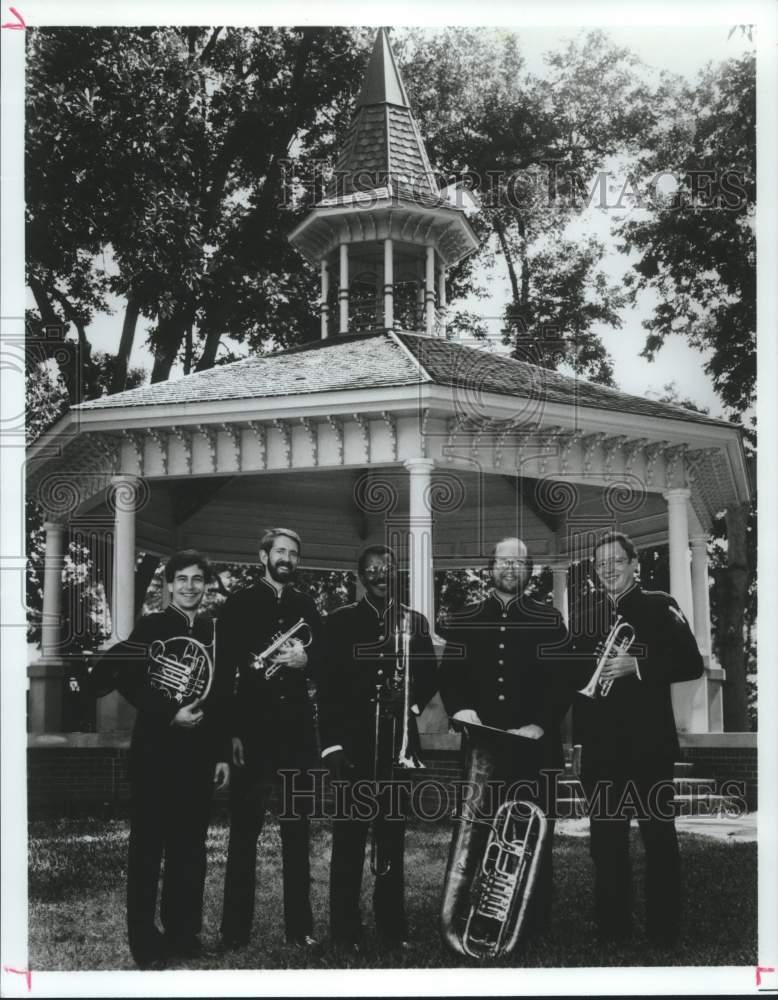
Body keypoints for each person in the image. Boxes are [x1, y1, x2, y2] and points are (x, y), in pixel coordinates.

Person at [91, 549, 230, 968]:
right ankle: (146, 945)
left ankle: (183, 935)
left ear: (206, 586)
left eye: (197, 579)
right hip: (156, 752)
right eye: (182, 579)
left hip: (199, 754)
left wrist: (222, 752)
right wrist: (170, 712)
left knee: (190, 851)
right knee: (148, 850)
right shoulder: (151, 625)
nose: (190, 586)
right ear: (168, 584)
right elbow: (127, 680)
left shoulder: (212, 631)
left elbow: (221, 696)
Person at [570, 530, 704, 948]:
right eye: (601, 562)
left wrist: (638, 663)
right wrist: (578, 744)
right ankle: (613, 928)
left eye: (616, 560)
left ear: (634, 565)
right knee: (606, 841)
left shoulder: (660, 605)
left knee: (658, 838)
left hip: (649, 746)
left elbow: (691, 663)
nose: (608, 568)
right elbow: (578, 684)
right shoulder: (587, 612)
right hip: (601, 748)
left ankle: (663, 931)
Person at [439, 536, 570, 940]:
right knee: (476, 836)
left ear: (529, 571)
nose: (510, 568)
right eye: (503, 561)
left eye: (519, 562)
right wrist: (460, 709)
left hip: (533, 746)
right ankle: (470, 917)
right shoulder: (466, 617)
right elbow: (450, 676)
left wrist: (541, 724)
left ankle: (531, 927)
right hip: (484, 747)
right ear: (490, 567)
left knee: (530, 840)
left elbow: (562, 682)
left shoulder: (549, 619)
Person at [318, 545, 438, 950]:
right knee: (348, 842)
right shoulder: (339, 622)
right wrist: (331, 746)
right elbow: (328, 689)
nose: (379, 574)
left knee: (391, 839)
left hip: (396, 745)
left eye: (386, 568)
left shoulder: (415, 622)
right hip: (352, 746)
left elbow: (429, 676)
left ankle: (392, 927)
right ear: (360, 577)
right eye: (371, 570)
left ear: (397, 573)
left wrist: (410, 703)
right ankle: (344, 931)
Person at [218, 528, 322, 950]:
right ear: (264, 556)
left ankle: (300, 929)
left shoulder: (306, 605)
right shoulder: (239, 604)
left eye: (293, 553)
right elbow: (225, 672)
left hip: (296, 732)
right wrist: (229, 734)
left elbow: (325, 662)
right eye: (280, 551)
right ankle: (234, 931)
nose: (287, 558)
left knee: (297, 831)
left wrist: (306, 659)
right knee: (244, 832)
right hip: (253, 731)